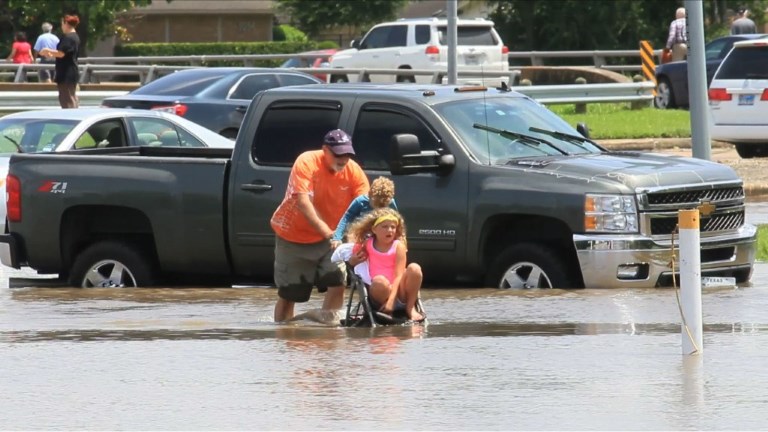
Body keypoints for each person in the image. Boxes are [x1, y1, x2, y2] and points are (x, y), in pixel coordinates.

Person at [270, 129, 370, 322]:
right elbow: (303, 202)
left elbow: (365, 206)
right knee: (290, 293)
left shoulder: (353, 171)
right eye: (338, 154)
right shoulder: (307, 162)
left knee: (337, 282)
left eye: (347, 154)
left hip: (331, 239)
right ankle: (284, 337)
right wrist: (329, 233)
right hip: (294, 236)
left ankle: (328, 335)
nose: (343, 159)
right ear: (325, 150)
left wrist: (360, 237)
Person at [345, 207, 424, 321]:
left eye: (393, 227)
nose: (390, 230)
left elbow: (399, 276)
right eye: (385, 227)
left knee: (415, 268)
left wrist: (392, 300)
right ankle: (385, 308)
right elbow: (353, 264)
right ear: (374, 229)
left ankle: (410, 308)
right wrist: (353, 260)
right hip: (379, 293)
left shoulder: (398, 246)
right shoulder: (367, 244)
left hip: (399, 294)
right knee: (379, 280)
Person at [332, 176, 398, 245]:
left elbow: (397, 223)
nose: (378, 210)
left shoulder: (391, 203)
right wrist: (337, 238)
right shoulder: (360, 201)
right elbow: (346, 218)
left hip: (378, 241)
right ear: (370, 195)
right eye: (375, 204)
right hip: (359, 239)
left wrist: (401, 241)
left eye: (382, 206)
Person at [39, 14, 80, 108]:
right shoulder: (74, 37)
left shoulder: (69, 38)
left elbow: (62, 53)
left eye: (62, 23)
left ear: (66, 23)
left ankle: (71, 118)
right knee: (70, 97)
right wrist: (52, 54)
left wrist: (47, 50)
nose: (61, 26)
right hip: (69, 72)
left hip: (67, 73)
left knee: (67, 99)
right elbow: (63, 54)